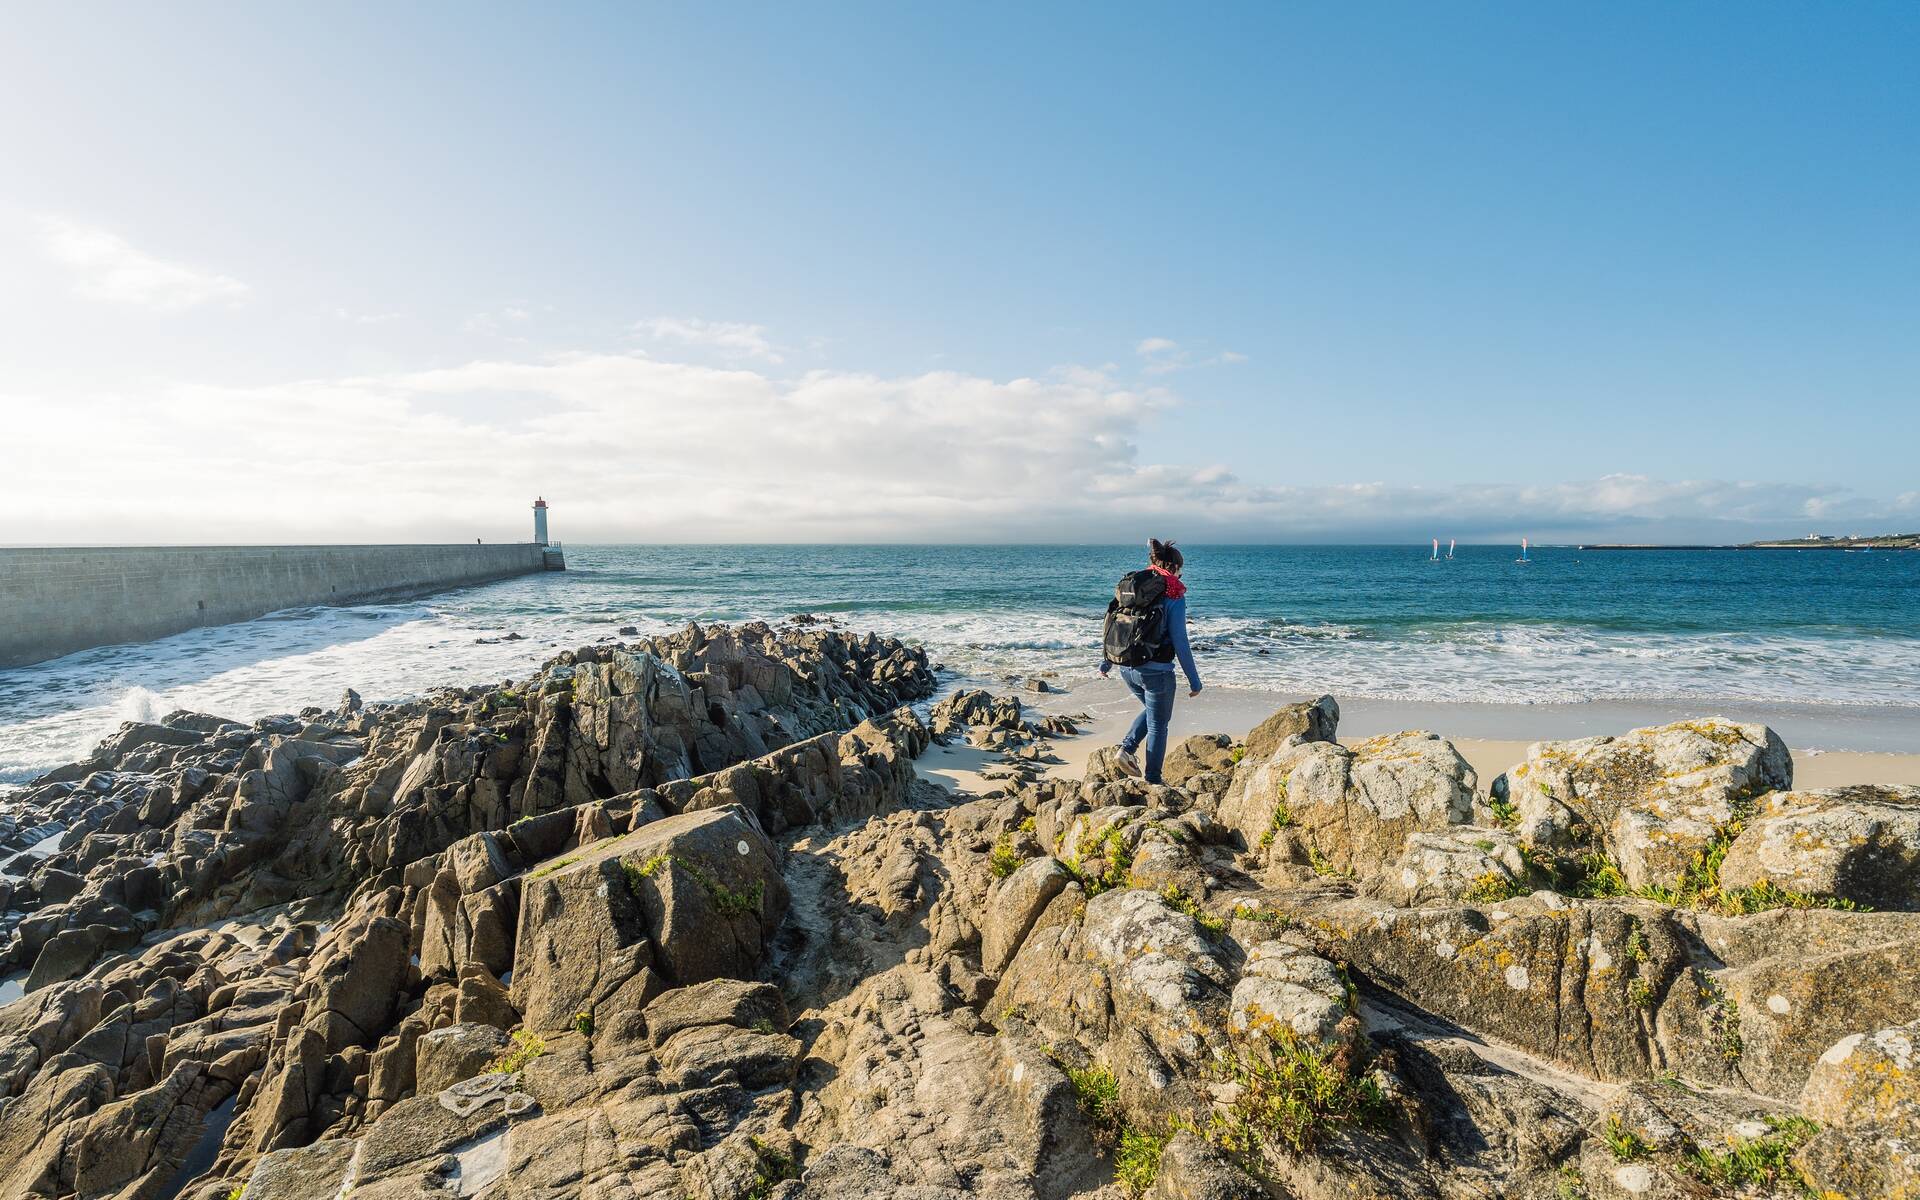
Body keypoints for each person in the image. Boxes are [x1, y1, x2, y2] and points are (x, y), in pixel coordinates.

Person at [1099, 538, 1201, 783]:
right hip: (1156, 673)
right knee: (1158, 725)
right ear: (1174, 568)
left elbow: (1113, 622)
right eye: (1180, 569)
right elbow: (1180, 641)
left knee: (1155, 713)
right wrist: (1194, 681)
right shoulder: (1173, 593)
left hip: (1127, 667)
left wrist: (1106, 661)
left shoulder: (1135, 588)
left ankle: (1127, 750)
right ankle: (1153, 778)